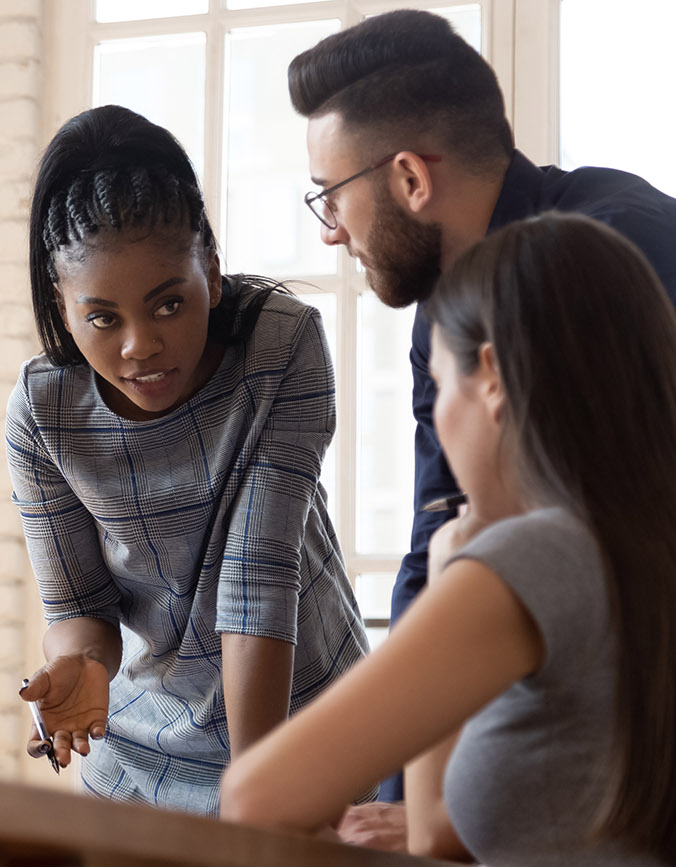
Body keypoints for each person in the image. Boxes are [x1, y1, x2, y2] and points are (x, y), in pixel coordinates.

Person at [288, 8, 676, 809]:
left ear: (410, 178)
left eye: (332, 197)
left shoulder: (615, 256)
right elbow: (439, 537)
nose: (331, 234)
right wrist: (400, 805)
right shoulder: (446, 311)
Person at [221, 213, 676, 866]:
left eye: (438, 384)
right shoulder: (643, 545)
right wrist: (445, 562)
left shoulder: (541, 556)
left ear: (490, 375)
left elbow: (256, 795)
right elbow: (437, 834)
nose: (438, 417)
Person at [7, 105, 370, 816]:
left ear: (210, 264)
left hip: (305, 729)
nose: (140, 346)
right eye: (103, 317)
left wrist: (259, 809)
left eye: (169, 304)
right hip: (148, 752)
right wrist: (80, 665)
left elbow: (254, 584)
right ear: (62, 301)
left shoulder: (280, 347)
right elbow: (81, 605)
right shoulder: (42, 412)